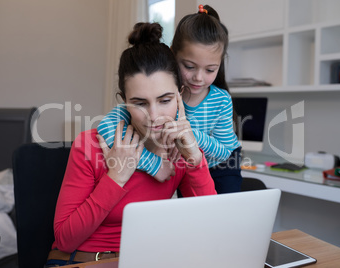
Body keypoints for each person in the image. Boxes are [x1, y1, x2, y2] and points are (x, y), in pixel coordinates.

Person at [45, 22, 216, 267]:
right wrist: (116, 177)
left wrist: (196, 161)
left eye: (165, 100)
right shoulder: (91, 145)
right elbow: (65, 240)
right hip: (82, 260)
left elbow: (210, 224)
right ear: (124, 102)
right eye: (140, 103)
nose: (155, 116)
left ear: (180, 95)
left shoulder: (181, 150)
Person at [98, 4, 242, 194]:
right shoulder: (157, 95)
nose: (199, 78)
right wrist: (153, 165)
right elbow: (105, 127)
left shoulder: (221, 100)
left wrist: (189, 136)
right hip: (186, 165)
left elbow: (224, 151)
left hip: (222, 166)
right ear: (173, 54)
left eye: (210, 70)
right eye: (189, 66)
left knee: (226, 215)